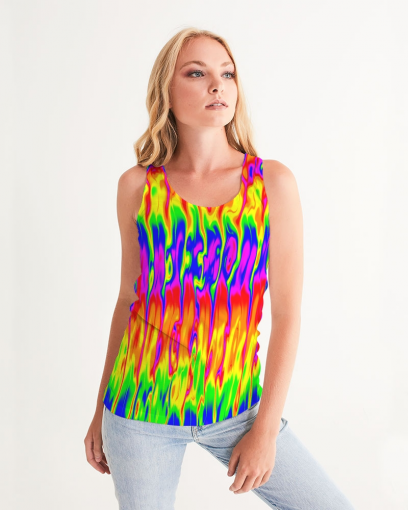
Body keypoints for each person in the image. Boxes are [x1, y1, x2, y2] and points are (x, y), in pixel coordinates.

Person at [84, 27, 355, 510]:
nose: (217, 85)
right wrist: (99, 411)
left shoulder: (270, 183)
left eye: (227, 74)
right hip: (139, 408)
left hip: (237, 409)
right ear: (166, 91)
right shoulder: (137, 187)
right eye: (197, 73)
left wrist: (265, 430)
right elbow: (128, 301)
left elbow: (287, 314)